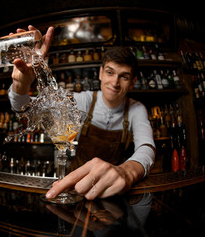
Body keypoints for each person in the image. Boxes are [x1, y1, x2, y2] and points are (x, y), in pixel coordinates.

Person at [8, 25, 155, 200]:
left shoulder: (136, 109)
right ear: (101, 73)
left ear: (133, 82)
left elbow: (146, 147)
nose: (115, 83)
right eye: (110, 72)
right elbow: (25, 108)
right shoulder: (84, 100)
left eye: (123, 76)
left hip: (111, 192)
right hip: (72, 189)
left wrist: (126, 172)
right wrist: (21, 85)